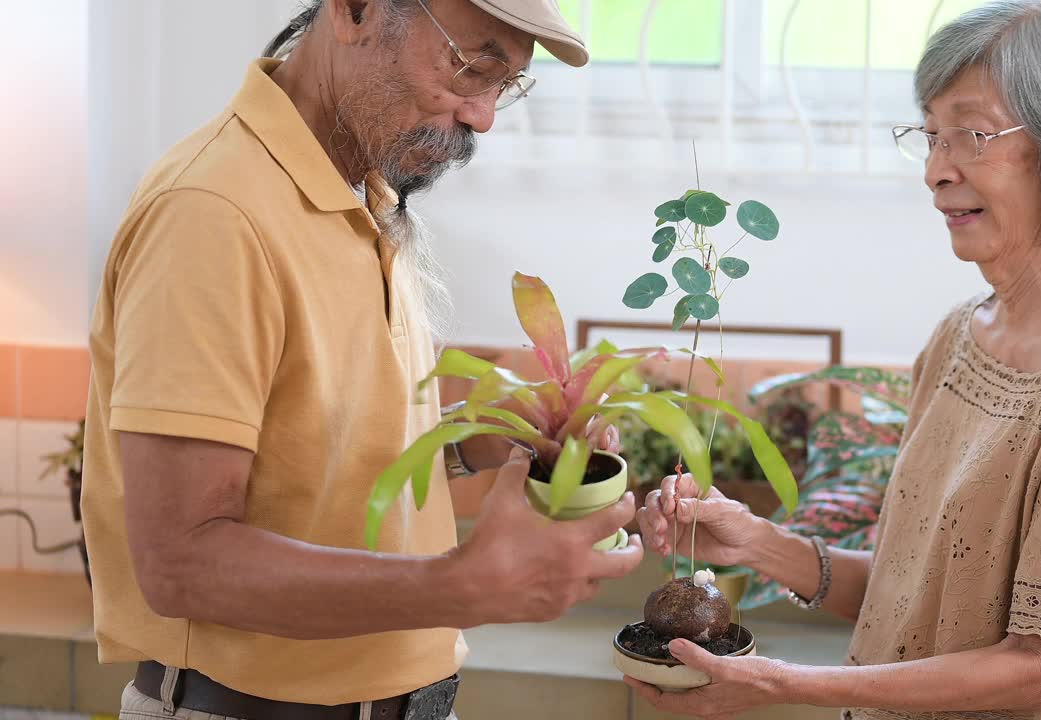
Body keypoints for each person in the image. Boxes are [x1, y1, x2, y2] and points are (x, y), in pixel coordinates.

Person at [81, 2, 642, 719]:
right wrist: (463, 584)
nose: (483, 118)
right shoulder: (213, 213)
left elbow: (316, 461)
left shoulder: (362, 190)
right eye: (474, 68)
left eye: (506, 87)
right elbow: (181, 561)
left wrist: (477, 437)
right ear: (356, 12)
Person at [632, 1, 1041, 718]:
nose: (936, 171)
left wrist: (779, 684)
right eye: (929, 137)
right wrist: (761, 545)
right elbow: (904, 593)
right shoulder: (961, 336)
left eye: (972, 136)